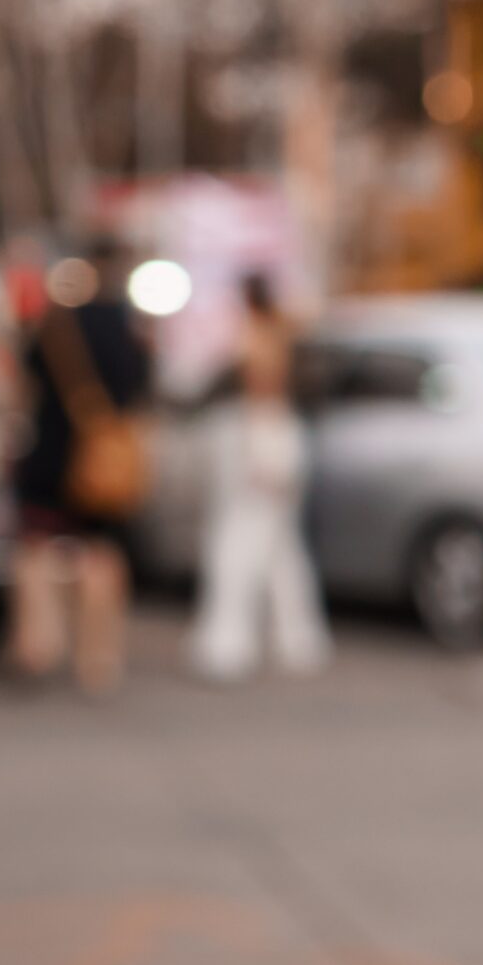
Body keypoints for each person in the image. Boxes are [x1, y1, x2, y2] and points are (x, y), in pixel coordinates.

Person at [7, 245, 155, 696]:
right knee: (101, 554)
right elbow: (143, 396)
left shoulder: (56, 324)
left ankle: (38, 644)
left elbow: (24, 386)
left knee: (37, 548)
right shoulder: (131, 331)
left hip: (52, 453)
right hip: (102, 459)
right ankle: (99, 660)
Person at [189, 273, 331, 682]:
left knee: (237, 547)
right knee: (281, 548)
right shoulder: (284, 329)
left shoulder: (258, 334)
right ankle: (296, 639)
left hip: (262, 439)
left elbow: (260, 392)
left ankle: (229, 643)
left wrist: (256, 453)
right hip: (281, 437)